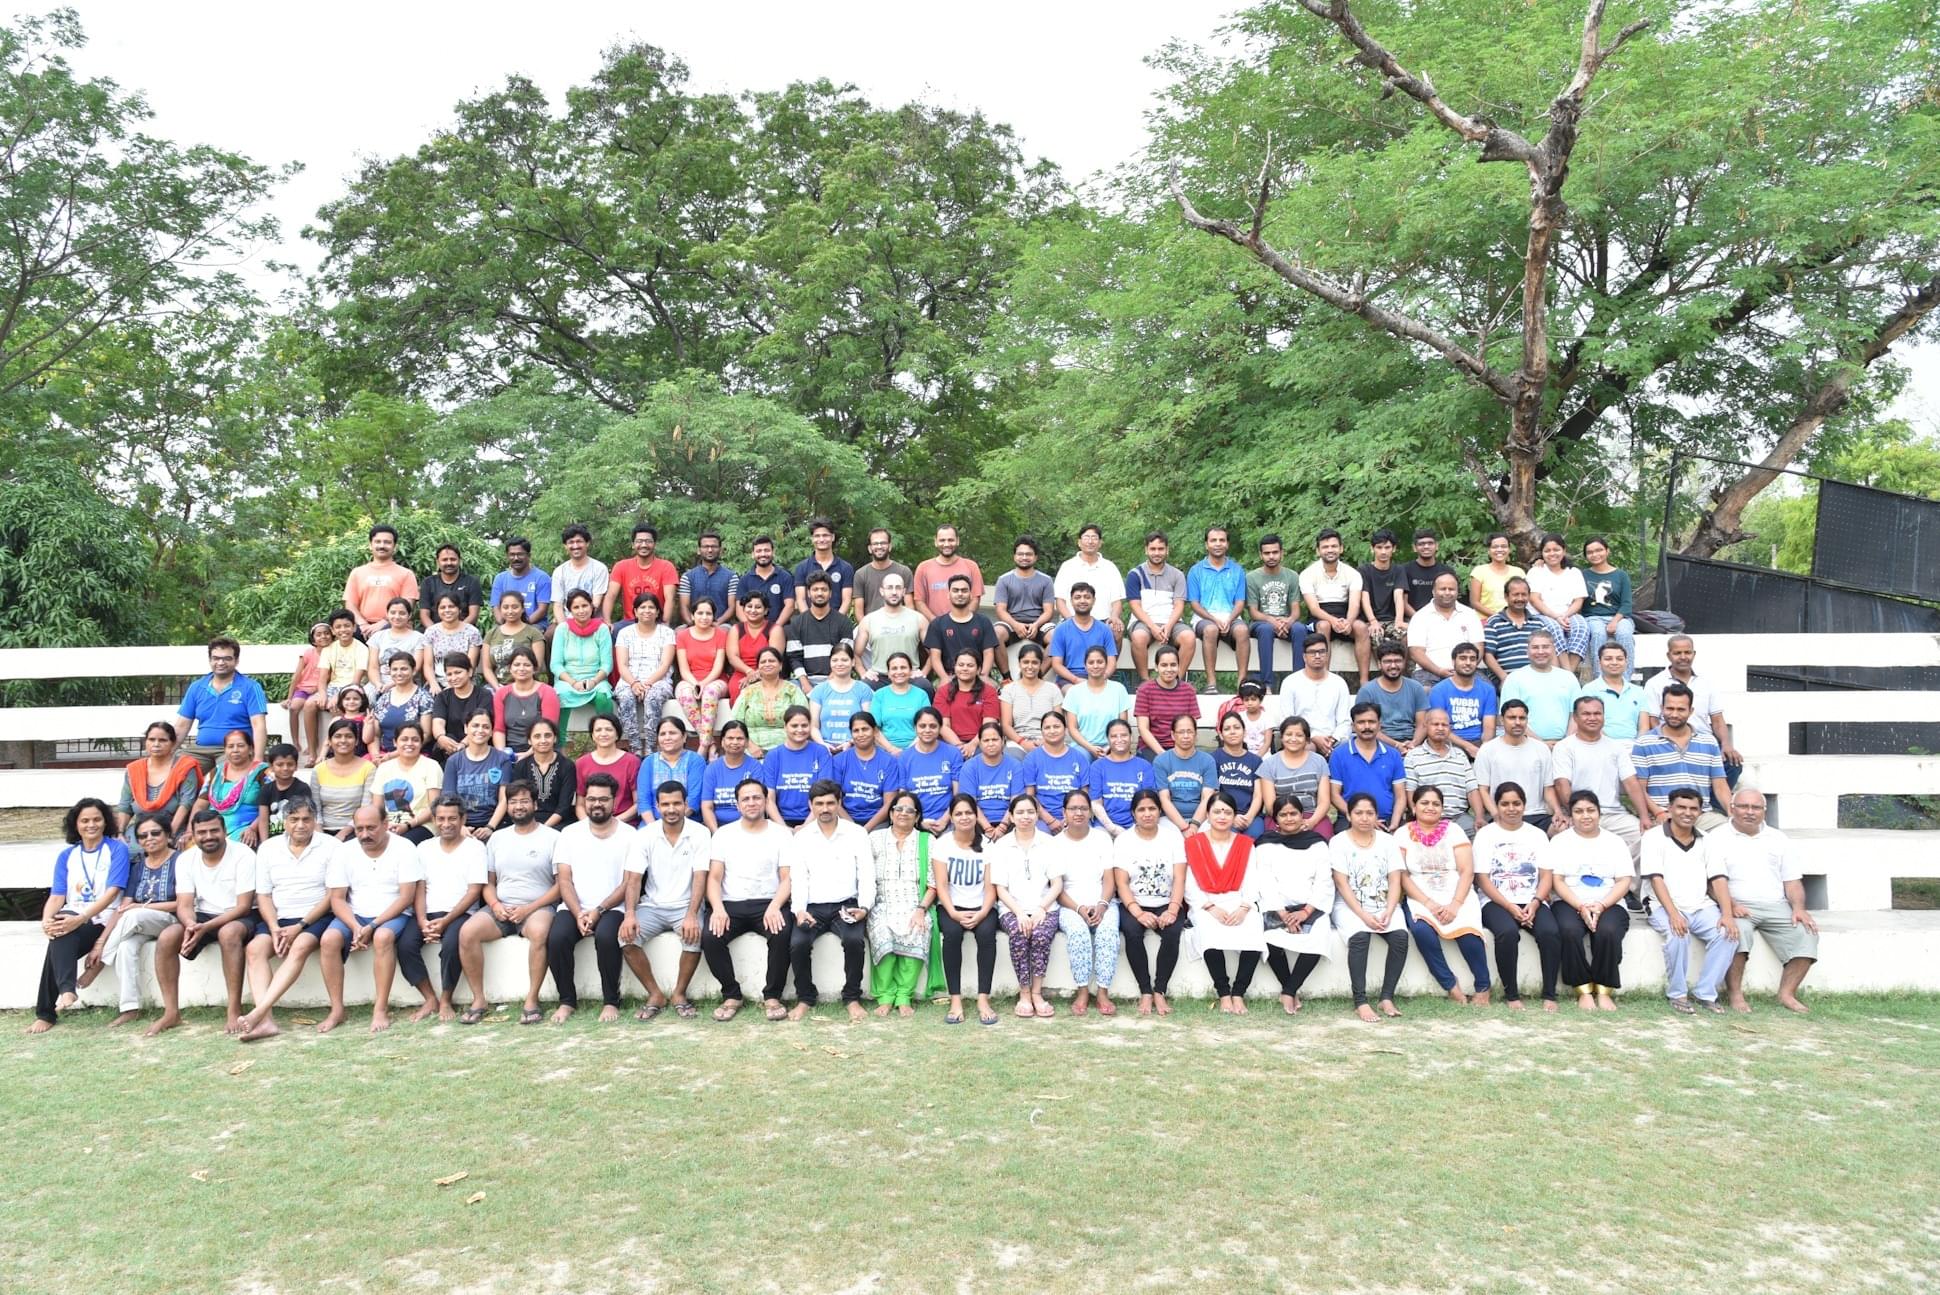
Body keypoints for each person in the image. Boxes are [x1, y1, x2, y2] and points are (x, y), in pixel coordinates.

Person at [234, 796, 337, 1040]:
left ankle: (257, 1013)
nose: (300, 825)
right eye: (294, 820)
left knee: (300, 946)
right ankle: (266, 1020)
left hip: (314, 918)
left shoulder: (331, 846)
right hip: (277, 919)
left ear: (315, 821)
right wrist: (274, 928)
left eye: (306, 819)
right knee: (255, 950)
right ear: (284, 821)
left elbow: (332, 895)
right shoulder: (268, 848)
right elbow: (264, 895)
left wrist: (300, 926)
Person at [457, 781, 560, 1024]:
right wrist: (495, 906)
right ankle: (479, 999)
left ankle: (532, 999)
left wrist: (529, 908)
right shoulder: (497, 839)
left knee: (540, 933)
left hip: (538, 907)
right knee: (467, 932)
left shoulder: (553, 837)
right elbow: (488, 882)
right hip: (501, 906)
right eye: (513, 802)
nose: (518, 806)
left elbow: (560, 886)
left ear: (535, 804)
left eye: (524, 801)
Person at [1709, 787, 1819, 1014]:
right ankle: (1735, 994)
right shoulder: (1716, 837)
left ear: (1764, 812)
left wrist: (1799, 908)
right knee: (1736, 934)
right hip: (1736, 904)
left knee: (1807, 934)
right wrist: (1729, 906)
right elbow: (1712, 881)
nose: (1750, 812)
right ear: (1732, 808)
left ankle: (1787, 993)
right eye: (1743, 806)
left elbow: (1792, 881)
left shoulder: (1779, 839)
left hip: (1776, 905)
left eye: (1756, 807)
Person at [315, 804, 423, 1033]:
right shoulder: (343, 851)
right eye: (359, 828)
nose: (365, 834)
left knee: (383, 937)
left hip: (393, 912)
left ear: (386, 824)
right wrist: (355, 926)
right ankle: (336, 1009)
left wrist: (373, 926)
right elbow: (337, 899)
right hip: (355, 915)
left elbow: (406, 897)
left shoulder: (404, 847)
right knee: (328, 940)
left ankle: (380, 1009)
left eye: (371, 828)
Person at [27, 798, 129, 1034]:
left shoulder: (116, 849)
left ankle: (47, 1011)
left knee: (61, 933)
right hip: (72, 917)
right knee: (59, 930)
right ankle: (66, 991)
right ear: (76, 824)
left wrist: (80, 918)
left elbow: (113, 891)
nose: (91, 825)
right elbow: (56, 896)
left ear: (105, 822)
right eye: (85, 820)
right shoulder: (67, 855)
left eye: (97, 819)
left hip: (103, 920)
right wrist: (47, 921)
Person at [545, 773, 636, 1023]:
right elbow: (564, 879)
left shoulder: (630, 835)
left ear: (614, 801)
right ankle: (566, 1001)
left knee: (607, 938)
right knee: (557, 939)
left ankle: (611, 1001)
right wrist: (578, 913)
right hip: (575, 906)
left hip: (613, 907)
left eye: (603, 799)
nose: (597, 804)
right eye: (592, 799)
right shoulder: (569, 834)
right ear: (584, 800)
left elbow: (628, 881)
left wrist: (598, 910)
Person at [702, 779, 794, 1022]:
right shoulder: (723, 834)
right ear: (737, 804)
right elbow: (713, 879)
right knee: (710, 937)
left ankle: (772, 996)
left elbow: (787, 878)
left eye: (757, 798)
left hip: (769, 902)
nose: (752, 803)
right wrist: (718, 909)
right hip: (731, 903)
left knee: (783, 934)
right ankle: (732, 994)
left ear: (766, 801)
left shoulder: (781, 834)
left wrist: (775, 906)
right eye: (746, 798)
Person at [618, 781, 710, 1020]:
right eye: (666, 804)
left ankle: (679, 994)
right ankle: (655, 994)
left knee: (695, 935)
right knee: (625, 937)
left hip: (686, 905)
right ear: (657, 806)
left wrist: (692, 914)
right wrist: (629, 914)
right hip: (652, 906)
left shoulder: (699, 832)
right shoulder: (645, 835)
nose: (671, 809)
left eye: (677, 803)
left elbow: (701, 876)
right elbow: (634, 879)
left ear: (686, 804)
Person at [1641, 787, 1737, 1014]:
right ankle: (1678, 994)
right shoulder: (1653, 837)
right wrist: (1674, 914)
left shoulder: (1708, 839)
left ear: (1700, 812)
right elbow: (1656, 879)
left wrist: (1727, 914)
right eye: (1681, 807)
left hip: (1700, 905)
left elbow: (1718, 879)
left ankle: (1705, 993)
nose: (1687, 813)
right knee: (1678, 935)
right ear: (1670, 809)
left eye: (1693, 808)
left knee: (1728, 935)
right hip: (1661, 904)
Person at [787, 781, 875, 1020]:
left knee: (854, 940)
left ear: (839, 803)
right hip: (812, 907)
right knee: (798, 944)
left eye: (829, 803)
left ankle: (852, 998)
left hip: (846, 905)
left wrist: (864, 907)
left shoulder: (856, 833)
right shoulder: (802, 837)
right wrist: (799, 911)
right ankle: (805, 998)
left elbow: (867, 873)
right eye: (819, 804)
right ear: (811, 805)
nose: (824, 808)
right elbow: (798, 877)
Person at [1396, 786, 1491, 1004]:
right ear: (1414, 805)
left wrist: (1455, 904)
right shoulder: (1402, 833)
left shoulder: (1454, 830)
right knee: (1422, 931)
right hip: (1420, 894)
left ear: (1442, 808)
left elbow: (1467, 870)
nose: (1430, 807)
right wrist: (1429, 903)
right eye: (1424, 803)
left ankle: (1483, 987)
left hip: (1457, 889)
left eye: (1435, 804)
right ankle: (1450, 984)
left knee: (1468, 933)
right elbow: (1402, 875)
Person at [1471, 782, 1561, 1011]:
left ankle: (1550, 994)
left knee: (1550, 932)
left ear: (1524, 805)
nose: (1511, 809)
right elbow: (1482, 879)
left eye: (1516, 803)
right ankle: (1512, 995)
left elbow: (1546, 875)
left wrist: (1535, 902)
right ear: (1497, 806)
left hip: (1531, 899)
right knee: (1507, 933)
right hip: (1495, 901)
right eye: (1505, 804)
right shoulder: (1485, 835)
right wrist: (1510, 907)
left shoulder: (1537, 835)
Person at [399, 798, 488, 1023]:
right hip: (427, 913)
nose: (446, 824)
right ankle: (429, 998)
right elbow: (419, 887)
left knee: (451, 945)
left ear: (463, 819)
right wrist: (421, 921)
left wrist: (446, 921)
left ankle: (446, 998)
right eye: (440, 818)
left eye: (452, 818)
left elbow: (473, 891)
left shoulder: (475, 848)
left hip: (460, 914)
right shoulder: (424, 848)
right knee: (405, 945)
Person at [172, 808, 259, 1033]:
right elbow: (183, 905)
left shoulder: (243, 854)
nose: (208, 836)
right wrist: (191, 925)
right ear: (193, 834)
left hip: (240, 915)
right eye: (202, 832)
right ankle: (171, 1012)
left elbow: (244, 905)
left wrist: (205, 928)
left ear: (225, 830)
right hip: (203, 916)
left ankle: (233, 1009)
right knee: (166, 937)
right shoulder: (185, 859)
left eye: (214, 831)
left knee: (228, 934)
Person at [90, 812, 181, 1027]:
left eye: (155, 833)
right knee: (125, 948)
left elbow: (182, 903)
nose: (149, 838)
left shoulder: (180, 861)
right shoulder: (138, 866)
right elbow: (123, 908)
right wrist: (100, 940)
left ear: (168, 834)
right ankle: (129, 1008)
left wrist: (140, 906)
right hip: (140, 923)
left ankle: (100, 963)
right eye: (142, 836)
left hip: (171, 921)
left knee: (134, 913)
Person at [1545, 790, 1633, 1010]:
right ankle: (1583, 988)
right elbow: (1558, 881)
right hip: (1569, 901)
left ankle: (1604, 989)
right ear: (1571, 815)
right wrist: (1581, 906)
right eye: (1579, 811)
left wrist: (1602, 905)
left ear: (1599, 813)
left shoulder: (1615, 842)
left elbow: (1624, 880)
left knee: (1608, 931)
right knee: (1569, 930)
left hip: (1609, 901)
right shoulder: (1560, 841)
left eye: (1590, 810)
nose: (1585, 816)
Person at [1250, 798, 1335, 1013]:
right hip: (1277, 906)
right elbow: (1264, 881)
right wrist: (1283, 913)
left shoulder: (1317, 843)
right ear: (1275, 819)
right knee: (1270, 939)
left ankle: (1288, 991)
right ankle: (1290, 989)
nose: (1289, 818)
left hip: (1310, 907)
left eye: (1293, 813)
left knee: (1319, 937)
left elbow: (1324, 881)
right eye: (1283, 815)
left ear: (1302, 815)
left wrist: (1306, 912)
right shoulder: (1265, 843)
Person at [1329, 792, 1409, 1022]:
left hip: (1385, 904)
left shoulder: (1387, 841)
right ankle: (1360, 1001)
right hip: (1349, 906)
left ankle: (1386, 997)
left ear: (1376, 816)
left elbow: (1395, 879)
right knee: (1360, 937)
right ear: (1349, 814)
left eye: (1370, 813)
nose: (1364, 818)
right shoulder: (1338, 842)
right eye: (1359, 813)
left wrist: (1390, 910)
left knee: (1400, 938)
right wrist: (1363, 915)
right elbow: (1341, 884)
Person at [1183, 794, 1263, 1013]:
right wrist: (1210, 907)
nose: (1222, 816)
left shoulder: (1245, 845)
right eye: (1217, 811)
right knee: (1208, 932)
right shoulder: (1194, 844)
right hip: (1206, 903)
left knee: (1254, 928)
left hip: (1239, 901)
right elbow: (1189, 883)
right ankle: (1224, 993)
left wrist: (1245, 907)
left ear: (1234, 816)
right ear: (1207, 815)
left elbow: (1252, 878)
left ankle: (1239, 993)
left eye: (1227, 812)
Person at [924, 793, 998, 1025]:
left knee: (987, 935)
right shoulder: (943, 843)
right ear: (952, 817)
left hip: (982, 906)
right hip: (951, 906)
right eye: (959, 813)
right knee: (953, 935)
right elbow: (942, 885)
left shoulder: (987, 845)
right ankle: (955, 999)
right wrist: (954, 913)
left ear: (976, 816)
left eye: (969, 813)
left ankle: (983, 999)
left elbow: (990, 887)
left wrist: (982, 913)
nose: (964, 817)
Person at [1113, 789, 1187, 1015]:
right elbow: (1122, 883)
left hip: (1167, 901)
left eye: (1152, 808)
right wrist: (1137, 912)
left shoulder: (1172, 837)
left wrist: (1173, 909)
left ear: (1160, 811)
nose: (1147, 814)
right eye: (1141, 809)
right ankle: (1145, 990)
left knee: (1173, 932)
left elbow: (1180, 877)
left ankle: (1159, 991)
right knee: (1133, 933)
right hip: (1135, 903)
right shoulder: (1124, 840)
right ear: (1133, 813)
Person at [867, 791, 940, 1016]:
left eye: (910, 811)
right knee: (881, 932)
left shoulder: (927, 840)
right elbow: (866, 876)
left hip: (914, 903)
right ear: (890, 813)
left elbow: (934, 884)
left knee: (918, 929)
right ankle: (886, 996)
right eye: (899, 809)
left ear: (917, 817)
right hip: (882, 902)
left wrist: (920, 909)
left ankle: (904, 995)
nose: (904, 814)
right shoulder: (875, 839)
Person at [1550, 696, 1647, 856]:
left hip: (1613, 814)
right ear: (1575, 717)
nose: (1592, 718)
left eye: (1597, 713)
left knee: (1646, 838)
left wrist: (1644, 816)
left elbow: (1631, 783)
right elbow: (1562, 785)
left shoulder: (1616, 747)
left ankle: (1626, 879)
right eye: (1586, 714)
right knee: (1560, 836)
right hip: (1579, 812)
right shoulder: (1564, 747)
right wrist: (1576, 813)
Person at [1054, 789, 1119, 1016]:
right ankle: (1082, 990)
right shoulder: (1055, 844)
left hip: (1103, 901)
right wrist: (1079, 908)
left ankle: (1102, 992)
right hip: (1069, 905)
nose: (1078, 813)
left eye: (1083, 808)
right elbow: (1056, 887)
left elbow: (1109, 879)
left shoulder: (1101, 838)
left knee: (1108, 932)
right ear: (1064, 812)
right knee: (1079, 933)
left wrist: (1101, 905)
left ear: (1090, 812)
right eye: (1073, 808)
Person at [1630, 684, 1731, 827]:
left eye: (1681, 709)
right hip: (1662, 815)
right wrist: (1658, 813)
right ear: (1661, 708)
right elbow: (1639, 788)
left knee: (1728, 832)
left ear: (1691, 711)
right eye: (1670, 708)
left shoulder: (1709, 742)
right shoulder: (1644, 743)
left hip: (1700, 816)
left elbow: (1720, 786)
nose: (1674, 714)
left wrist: (1732, 812)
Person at [1640, 635, 1744, 771]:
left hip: (1703, 742)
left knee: (1732, 764)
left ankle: (1708, 793)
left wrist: (1726, 744)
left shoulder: (1706, 683)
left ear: (1694, 654)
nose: (1683, 657)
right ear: (1669, 655)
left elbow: (1718, 720)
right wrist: (1668, 740)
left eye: (1687, 652)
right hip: (1670, 742)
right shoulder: (1654, 683)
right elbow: (1652, 720)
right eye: (1677, 653)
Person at [174, 636, 268, 770]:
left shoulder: (251, 687)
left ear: (236, 661)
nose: (221, 662)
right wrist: (167, 754)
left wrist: (258, 760)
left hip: (235, 750)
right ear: (210, 660)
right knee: (178, 770)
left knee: (226, 773)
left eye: (227, 658)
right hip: (201, 750)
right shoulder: (197, 687)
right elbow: (181, 726)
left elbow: (259, 726)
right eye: (216, 658)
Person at [1475, 700, 1562, 830]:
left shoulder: (1541, 749)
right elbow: (1483, 790)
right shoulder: (1487, 750)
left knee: (1561, 830)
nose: (1517, 722)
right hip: (1502, 815)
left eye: (1522, 718)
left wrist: (1558, 811)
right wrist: (1496, 814)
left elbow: (1548, 788)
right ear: (1501, 720)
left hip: (1537, 815)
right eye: (1511, 718)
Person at [1125, 529, 1195, 681]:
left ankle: (1178, 681)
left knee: (1189, 637)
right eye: (1153, 549)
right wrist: (1153, 627)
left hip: (1172, 621)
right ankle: (1145, 681)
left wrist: (1168, 627)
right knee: (1138, 637)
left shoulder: (1177, 575)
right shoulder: (1135, 574)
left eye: (1161, 549)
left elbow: (1179, 605)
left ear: (1167, 550)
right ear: (1146, 550)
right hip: (1143, 622)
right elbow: (1135, 606)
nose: (1157, 553)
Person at [614, 590, 678, 755]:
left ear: (658, 611)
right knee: (626, 697)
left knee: (653, 697)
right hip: (629, 680)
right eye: (642, 607)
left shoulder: (667, 633)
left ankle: (651, 749)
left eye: (651, 607)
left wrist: (647, 684)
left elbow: (665, 665)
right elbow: (622, 665)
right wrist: (635, 683)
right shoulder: (625, 633)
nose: (647, 611)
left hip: (658, 681)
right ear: (635, 611)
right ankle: (635, 748)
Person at [1187, 525, 1250, 693]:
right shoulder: (1196, 571)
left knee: (1243, 630)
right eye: (1213, 540)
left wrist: (1229, 619)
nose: (1217, 544)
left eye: (1222, 540)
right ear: (1206, 544)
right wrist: (1214, 619)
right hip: (1204, 619)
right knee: (1211, 629)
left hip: (1232, 617)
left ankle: (1241, 683)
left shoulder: (1237, 570)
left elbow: (1240, 602)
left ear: (1227, 544)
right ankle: (1211, 683)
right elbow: (1194, 603)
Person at [1403, 710, 1484, 831]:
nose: (1440, 728)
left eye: (1444, 725)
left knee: (1478, 836)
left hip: (1460, 818)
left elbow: (1472, 790)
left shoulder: (1460, 755)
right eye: (1435, 724)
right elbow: (1410, 790)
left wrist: (1479, 817)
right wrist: (1417, 815)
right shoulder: (1413, 756)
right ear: (1425, 726)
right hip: (1427, 818)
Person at [1246, 533, 1309, 688]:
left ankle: (1298, 682)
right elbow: (1253, 612)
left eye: (1275, 552)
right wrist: (1272, 621)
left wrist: (1288, 621)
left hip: (1285, 621)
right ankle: (1266, 684)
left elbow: (1295, 610)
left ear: (1282, 553)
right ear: (1261, 555)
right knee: (1266, 630)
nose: (1271, 556)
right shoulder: (1252, 577)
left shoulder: (1292, 576)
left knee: (1300, 629)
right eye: (1267, 553)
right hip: (1260, 623)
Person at [1297, 529, 1361, 675]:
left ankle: (1364, 680)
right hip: (1320, 616)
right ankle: (1324, 675)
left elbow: (1355, 603)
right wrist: (1333, 621)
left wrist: (1349, 622)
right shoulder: (1308, 574)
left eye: (1334, 546)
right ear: (1318, 551)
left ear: (1341, 548)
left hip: (1345, 614)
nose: (1330, 550)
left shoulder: (1353, 573)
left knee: (1361, 628)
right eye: (1325, 547)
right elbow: (1313, 608)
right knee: (1324, 625)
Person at [673, 598, 732, 755]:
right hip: (689, 679)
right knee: (685, 694)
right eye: (700, 613)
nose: (704, 617)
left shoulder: (720, 634)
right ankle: (710, 743)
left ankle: (703, 746)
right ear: (692, 615)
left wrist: (704, 683)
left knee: (710, 693)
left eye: (708, 613)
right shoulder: (683, 636)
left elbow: (718, 667)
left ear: (713, 617)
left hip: (716, 679)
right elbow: (683, 669)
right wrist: (695, 684)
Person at [443, 711, 513, 841]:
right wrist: (460, 826)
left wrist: (490, 827)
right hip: (460, 825)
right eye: (475, 725)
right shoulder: (454, 761)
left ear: (492, 731)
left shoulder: (502, 759)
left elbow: (504, 799)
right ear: (466, 728)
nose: (480, 730)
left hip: (493, 825)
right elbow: (449, 799)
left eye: (486, 727)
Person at [1405, 573, 1485, 686]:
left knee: (1488, 689)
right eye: (1443, 589)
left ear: (1457, 592)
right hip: (1429, 672)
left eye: (1451, 589)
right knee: (1423, 692)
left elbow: (1479, 647)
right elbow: (1416, 652)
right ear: (1433, 591)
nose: (1447, 592)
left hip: (1467, 671)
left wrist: (1466, 668)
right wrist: (1439, 671)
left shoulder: (1470, 614)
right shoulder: (1420, 616)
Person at [309, 611, 368, 762]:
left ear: (354, 627)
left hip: (354, 688)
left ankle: (339, 750)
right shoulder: (329, 649)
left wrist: (339, 696)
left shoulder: (362, 649)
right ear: (333, 630)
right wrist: (323, 694)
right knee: (309, 704)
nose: (343, 630)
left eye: (347, 626)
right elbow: (322, 679)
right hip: (333, 687)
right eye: (338, 627)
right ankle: (312, 753)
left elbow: (356, 680)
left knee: (340, 708)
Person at [853, 574, 929, 689]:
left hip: (909, 676)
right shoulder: (869, 620)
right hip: (880, 677)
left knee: (925, 686)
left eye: (898, 588)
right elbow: (856, 653)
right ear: (882, 591)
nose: (894, 592)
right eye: (889, 588)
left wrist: (924, 672)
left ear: (904, 592)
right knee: (864, 687)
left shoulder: (918, 619)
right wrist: (863, 673)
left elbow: (934, 652)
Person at [1525, 534, 1589, 672]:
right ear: (1542, 553)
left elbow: (1579, 600)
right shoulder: (1536, 572)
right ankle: (1567, 673)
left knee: (1582, 627)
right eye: (1547, 550)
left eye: (1556, 549)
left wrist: (1565, 615)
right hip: (1543, 614)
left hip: (1568, 613)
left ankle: (1568, 673)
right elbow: (1535, 599)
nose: (1552, 553)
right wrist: (1556, 617)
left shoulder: (1574, 572)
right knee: (1554, 628)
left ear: (1564, 550)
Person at [1278, 636, 1352, 755]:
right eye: (1312, 652)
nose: (1317, 656)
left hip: (1332, 740)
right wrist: (1312, 737)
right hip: (1302, 738)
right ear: (1304, 657)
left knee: (1344, 749)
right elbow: (1287, 719)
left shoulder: (1339, 683)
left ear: (1327, 655)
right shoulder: (1290, 682)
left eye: (1321, 652)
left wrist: (1333, 740)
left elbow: (1345, 720)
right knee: (1307, 748)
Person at [370, 721, 441, 844]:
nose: (409, 743)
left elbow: (433, 807)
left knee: (398, 844)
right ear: (395, 742)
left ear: (421, 742)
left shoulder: (431, 766)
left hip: (421, 825)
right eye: (404, 739)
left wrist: (408, 825)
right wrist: (385, 825)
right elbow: (377, 807)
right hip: (388, 825)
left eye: (415, 740)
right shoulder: (384, 768)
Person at [922, 573, 999, 686]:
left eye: (964, 590)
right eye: (955, 590)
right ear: (948, 594)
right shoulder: (937, 624)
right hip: (949, 675)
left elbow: (988, 653)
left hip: (977, 676)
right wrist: (944, 678)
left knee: (993, 689)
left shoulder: (984, 622)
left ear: (971, 595)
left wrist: (983, 675)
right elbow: (935, 656)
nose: (960, 594)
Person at [1501, 630, 1578, 743]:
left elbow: (1576, 714)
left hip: (1563, 746)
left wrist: (1565, 743)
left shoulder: (1568, 677)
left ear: (1554, 649)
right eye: (1535, 647)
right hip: (1526, 745)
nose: (1540, 651)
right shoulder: (1514, 679)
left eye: (1545, 647)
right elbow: (1510, 718)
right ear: (1527, 651)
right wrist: (1540, 744)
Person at [1263, 717, 1334, 839]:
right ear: (1282, 737)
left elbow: (1324, 801)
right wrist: (1287, 821)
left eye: (1299, 735)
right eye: (1288, 734)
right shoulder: (1269, 764)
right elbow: (1270, 805)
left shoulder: (1319, 761)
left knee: (1321, 843)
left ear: (1307, 739)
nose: (1293, 739)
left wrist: (1311, 821)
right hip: (1280, 816)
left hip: (1312, 815)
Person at [343, 523, 419, 636]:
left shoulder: (406, 574)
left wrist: (382, 624)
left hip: (394, 626)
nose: (382, 545)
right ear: (370, 545)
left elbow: (407, 605)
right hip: (362, 628)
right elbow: (350, 604)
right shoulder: (357, 573)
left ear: (395, 546)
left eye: (387, 542)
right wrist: (363, 625)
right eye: (378, 542)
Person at [993, 535, 1062, 659]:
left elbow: (1049, 611)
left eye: (1029, 554)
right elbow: (1000, 610)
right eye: (1020, 554)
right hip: (1011, 623)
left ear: (1035, 557)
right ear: (1014, 556)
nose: (1024, 557)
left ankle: (1040, 675)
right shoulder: (1004, 580)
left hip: (1039, 623)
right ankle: (1006, 677)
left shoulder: (1046, 581)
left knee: (1057, 637)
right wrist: (1015, 625)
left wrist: (1035, 625)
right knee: (995, 635)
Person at [763, 706, 833, 827]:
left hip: (816, 819)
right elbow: (769, 798)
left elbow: (824, 795)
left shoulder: (821, 752)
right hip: (781, 820)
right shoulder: (773, 755)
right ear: (785, 727)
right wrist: (784, 828)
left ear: (810, 726)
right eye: (794, 726)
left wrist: (805, 827)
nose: (800, 730)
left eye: (804, 725)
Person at [783, 571, 855, 690]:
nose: (820, 593)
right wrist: (805, 684)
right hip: (805, 681)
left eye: (824, 589)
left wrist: (831, 680)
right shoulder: (797, 622)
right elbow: (794, 658)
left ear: (830, 593)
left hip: (836, 678)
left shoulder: (843, 622)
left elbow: (846, 655)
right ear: (809, 593)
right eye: (815, 589)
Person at [1482, 577, 1562, 683]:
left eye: (1524, 594)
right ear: (1506, 596)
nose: (1520, 598)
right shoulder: (1494, 622)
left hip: (1537, 680)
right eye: (1515, 594)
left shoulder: (1538, 623)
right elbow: (1487, 655)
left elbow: (1551, 652)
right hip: (1505, 680)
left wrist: (1554, 678)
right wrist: (1505, 678)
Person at [731, 646, 808, 757]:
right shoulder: (748, 692)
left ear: (780, 666)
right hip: (751, 752)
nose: (767, 664)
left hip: (788, 751)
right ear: (758, 667)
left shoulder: (793, 691)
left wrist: (789, 748)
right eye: (763, 662)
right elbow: (735, 722)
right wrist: (750, 746)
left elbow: (803, 721)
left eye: (771, 661)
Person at [1086, 719, 1157, 836]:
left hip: (1138, 825)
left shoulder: (1144, 766)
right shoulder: (1097, 766)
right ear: (1108, 739)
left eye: (1124, 735)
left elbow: (1148, 802)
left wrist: (1136, 828)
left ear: (1131, 737)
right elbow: (1096, 803)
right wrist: (1113, 828)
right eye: (1114, 736)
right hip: (1105, 825)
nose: (1119, 739)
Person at [1022, 709, 1090, 832]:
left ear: (1065, 729)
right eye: (1047, 727)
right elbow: (1030, 796)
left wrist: (1071, 818)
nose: (1052, 731)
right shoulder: (1032, 759)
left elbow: (1084, 795)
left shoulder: (1079, 758)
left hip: (1076, 815)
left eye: (1056, 726)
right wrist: (1050, 820)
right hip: (1043, 818)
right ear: (1041, 732)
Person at [552, 588, 615, 720]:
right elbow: (556, 665)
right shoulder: (562, 629)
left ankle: (606, 736)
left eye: (585, 605)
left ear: (592, 607)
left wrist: (593, 681)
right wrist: (573, 683)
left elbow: (607, 665)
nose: (581, 610)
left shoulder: (602, 629)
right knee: (558, 697)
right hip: (567, 682)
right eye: (576, 607)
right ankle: (560, 740)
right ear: (570, 610)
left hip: (596, 680)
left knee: (602, 697)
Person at [309, 719, 376, 840]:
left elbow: (365, 808)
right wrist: (320, 834)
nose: (343, 741)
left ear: (356, 741)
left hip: (357, 830)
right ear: (329, 741)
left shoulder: (368, 768)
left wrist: (343, 834)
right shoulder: (319, 769)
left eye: (349, 736)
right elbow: (315, 808)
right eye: (338, 736)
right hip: (322, 830)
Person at [1062, 645, 1133, 759]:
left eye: (1100, 662)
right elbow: (1072, 728)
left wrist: (1109, 747)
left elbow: (1122, 725)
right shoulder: (1074, 692)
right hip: (1083, 746)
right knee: (1082, 758)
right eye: (1091, 662)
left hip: (1113, 745)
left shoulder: (1119, 689)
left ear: (1106, 664)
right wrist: (1090, 748)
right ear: (1085, 666)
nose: (1095, 666)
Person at [1427, 642, 1497, 756]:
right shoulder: (1438, 690)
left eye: (1472, 659)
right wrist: (1467, 746)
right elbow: (1440, 728)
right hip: (1448, 742)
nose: (1468, 663)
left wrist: (1485, 748)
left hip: (1479, 743)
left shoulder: (1488, 689)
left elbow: (1489, 726)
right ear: (1454, 661)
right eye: (1463, 658)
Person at [958, 721, 1026, 838]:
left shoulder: (1015, 765)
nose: (990, 744)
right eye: (986, 740)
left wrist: (1003, 826)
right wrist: (987, 828)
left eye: (995, 739)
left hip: (1009, 820)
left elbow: (1016, 800)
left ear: (1003, 741)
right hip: (977, 821)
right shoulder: (969, 767)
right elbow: (970, 803)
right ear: (979, 743)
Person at [196, 729, 266, 843]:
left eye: (240, 746)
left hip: (247, 829)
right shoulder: (216, 772)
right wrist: (191, 830)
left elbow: (271, 805)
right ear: (225, 750)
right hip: (212, 829)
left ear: (251, 749)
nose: (235, 750)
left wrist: (253, 828)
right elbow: (199, 805)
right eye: (230, 746)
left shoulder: (263, 771)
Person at [896, 707, 959, 833]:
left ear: (940, 728)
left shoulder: (953, 753)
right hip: (915, 823)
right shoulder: (904, 757)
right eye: (922, 726)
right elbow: (902, 797)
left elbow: (958, 794)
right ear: (915, 728)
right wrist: (918, 822)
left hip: (948, 821)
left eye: (933, 726)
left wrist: (944, 820)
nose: (927, 730)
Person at [1354, 528, 1407, 679]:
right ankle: (1378, 679)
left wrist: (1399, 620)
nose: (1383, 552)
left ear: (1394, 549)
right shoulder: (1364, 570)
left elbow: (1399, 595)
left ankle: (1403, 677)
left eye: (1387, 547)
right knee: (1377, 638)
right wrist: (1373, 621)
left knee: (1405, 635)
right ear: (1372, 549)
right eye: (1379, 547)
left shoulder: (1398, 570)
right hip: (1370, 620)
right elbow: (1365, 597)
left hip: (1391, 619)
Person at [1355, 643, 1428, 751]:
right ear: (1379, 664)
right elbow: (1366, 727)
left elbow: (1422, 724)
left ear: (1404, 662)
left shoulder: (1415, 688)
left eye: (1397, 661)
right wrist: (1396, 745)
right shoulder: (1367, 691)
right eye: (1388, 661)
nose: (1393, 666)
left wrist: (1414, 744)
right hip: (1378, 744)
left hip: (1412, 744)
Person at [833, 712, 898, 831]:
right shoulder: (839, 760)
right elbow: (834, 800)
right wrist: (853, 828)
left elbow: (889, 804)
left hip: (878, 823)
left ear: (874, 731)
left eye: (865, 729)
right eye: (856, 730)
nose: (861, 734)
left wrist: (865, 829)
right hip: (845, 821)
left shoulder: (889, 762)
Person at [604, 522, 679, 625]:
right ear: (633, 544)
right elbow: (611, 595)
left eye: (648, 541)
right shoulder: (621, 566)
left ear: (654, 544)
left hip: (656, 621)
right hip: (629, 622)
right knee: (611, 633)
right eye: (639, 541)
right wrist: (607, 622)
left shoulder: (666, 567)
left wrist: (665, 624)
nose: (644, 545)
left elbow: (669, 598)